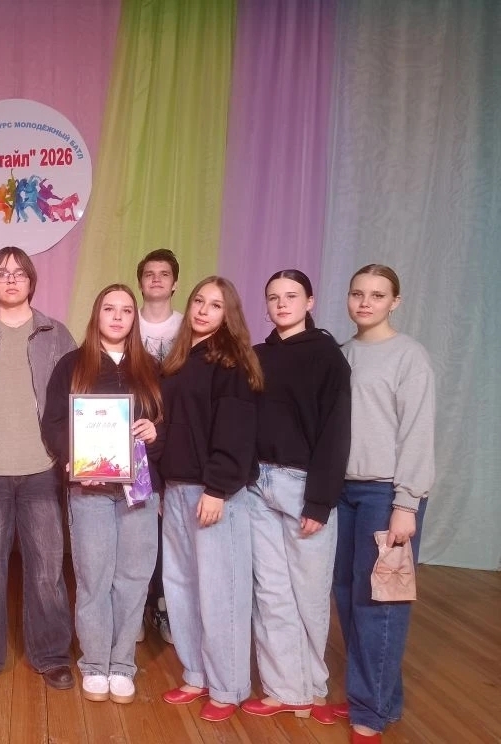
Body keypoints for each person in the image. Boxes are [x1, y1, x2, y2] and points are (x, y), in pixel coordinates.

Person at [0, 246, 77, 692]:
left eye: (19, 273)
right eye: (2, 273)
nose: (10, 279)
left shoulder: (57, 335)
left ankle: (52, 655)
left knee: (46, 570)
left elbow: (75, 402)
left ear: (31, 281)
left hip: (42, 467)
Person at [239, 270, 351, 724]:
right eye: (273, 297)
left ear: (309, 301)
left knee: (308, 592)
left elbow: (335, 432)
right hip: (258, 484)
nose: (282, 304)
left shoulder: (328, 356)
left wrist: (320, 501)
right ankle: (282, 689)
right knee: (270, 592)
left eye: (291, 296)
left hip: (303, 485)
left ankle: (311, 688)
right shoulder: (256, 356)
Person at [42, 284, 163, 704]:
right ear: (97, 315)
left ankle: (123, 664)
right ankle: (95, 664)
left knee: (133, 579)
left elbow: (171, 426)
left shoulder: (152, 368)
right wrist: (75, 460)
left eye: (126, 310)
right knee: (94, 579)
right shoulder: (72, 364)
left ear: (134, 318)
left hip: (140, 492)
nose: (117, 317)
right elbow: (53, 423)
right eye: (109, 309)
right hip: (89, 491)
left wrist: (156, 432)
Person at [332, 265, 435, 744]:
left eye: (377, 295)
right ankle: (377, 697)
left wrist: (406, 503)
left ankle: (369, 712)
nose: (365, 302)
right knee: (348, 596)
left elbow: (417, 432)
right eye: (358, 293)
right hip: (343, 492)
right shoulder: (342, 354)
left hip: (386, 492)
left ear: (395, 302)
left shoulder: (409, 356)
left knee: (380, 603)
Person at [157, 276, 263, 722]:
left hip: (213, 492)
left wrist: (218, 488)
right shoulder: (178, 360)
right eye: (199, 301)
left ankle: (228, 687)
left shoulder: (231, 361)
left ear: (228, 314)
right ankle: (196, 673)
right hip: (176, 488)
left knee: (222, 591)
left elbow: (235, 431)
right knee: (181, 586)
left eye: (215, 305)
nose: (203, 310)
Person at [137, 249, 184, 646]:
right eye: (149, 273)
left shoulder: (188, 327)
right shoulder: (124, 322)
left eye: (164, 274)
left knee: (172, 533)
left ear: (175, 283)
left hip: (178, 439)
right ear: (140, 282)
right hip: (136, 442)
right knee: (141, 530)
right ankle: (138, 606)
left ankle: (165, 606)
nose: (156, 279)